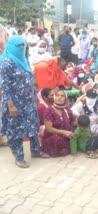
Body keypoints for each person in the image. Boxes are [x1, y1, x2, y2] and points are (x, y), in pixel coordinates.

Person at [0, 35, 49, 168]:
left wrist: (35, 96)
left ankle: (35, 151)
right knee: (15, 130)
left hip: (28, 101)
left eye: (23, 46)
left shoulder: (23, 60)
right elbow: (4, 86)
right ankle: (19, 156)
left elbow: (29, 79)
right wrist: (10, 105)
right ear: (11, 47)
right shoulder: (6, 62)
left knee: (33, 125)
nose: (21, 49)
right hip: (14, 103)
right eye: (19, 46)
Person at [41, 90, 76, 157]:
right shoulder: (49, 110)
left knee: (79, 132)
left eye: (62, 96)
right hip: (53, 136)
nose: (59, 98)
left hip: (66, 134)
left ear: (65, 98)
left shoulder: (67, 108)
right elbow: (49, 129)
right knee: (56, 139)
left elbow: (72, 122)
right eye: (57, 95)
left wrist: (80, 123)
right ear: (54, 98)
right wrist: (64, 132)